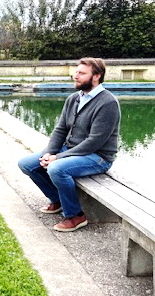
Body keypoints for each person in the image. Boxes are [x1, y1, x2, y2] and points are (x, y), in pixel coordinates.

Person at [18, 57, 121, 232]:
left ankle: (75, 216)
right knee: (27, 164)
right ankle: (57, 200)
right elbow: (60, 130)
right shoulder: (74, 98)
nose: (76, 76)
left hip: (97, 156)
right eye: (76, 72)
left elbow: (94, 142)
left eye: (82, 73)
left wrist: (58, 157)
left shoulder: (108, 103)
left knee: (56, 168)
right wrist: (49, 152)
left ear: (97, 76)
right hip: (71, 150)